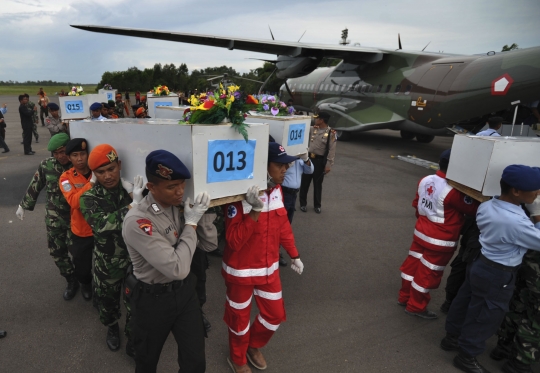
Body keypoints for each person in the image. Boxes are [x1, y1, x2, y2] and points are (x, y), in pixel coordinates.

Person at [440, 165, 540, 373]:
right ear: (516, 191)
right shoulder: (515, 222)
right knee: (486, 315)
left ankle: (452, 337)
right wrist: (538, 217)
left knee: (465, 300)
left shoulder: (488, 204)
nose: (538, 193)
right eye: (536, 189)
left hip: (481, 262)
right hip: (498, 273)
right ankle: (467, 356)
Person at [122, 150, 213, 372]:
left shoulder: (177, 206)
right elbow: (178, 267)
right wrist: (191, 225)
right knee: (146, 361)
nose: (180, 191)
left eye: (182, 184)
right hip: (152, 301)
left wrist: (205, 215)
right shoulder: (138, 221)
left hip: (184, 295)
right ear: (151, 188)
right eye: (172, 187)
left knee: (195, 363)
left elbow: (209, 245)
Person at [222, 142, 304, 373]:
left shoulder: (277, 190)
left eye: (285, 165)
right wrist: (254, 211)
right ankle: (237, 358)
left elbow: (283, 226)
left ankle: (252, 345)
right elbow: (234, 241)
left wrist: (294, 255)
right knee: (239, 322)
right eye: (279, 165)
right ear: (262, 167)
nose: (285, 170)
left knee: (275, 315)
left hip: (269, 270)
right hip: (241, 272)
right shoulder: (239, 195)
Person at [398, 149, 479, 319]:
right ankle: (416, 306)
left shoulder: (425, 180)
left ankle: (404, 297)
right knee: (428, 273)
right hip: (440, 241)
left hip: (421, 233)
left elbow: (416, 204)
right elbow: (473, 209)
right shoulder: (454, 190)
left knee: (411, 266)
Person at [80, 144, 140, 355]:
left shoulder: (132, 191)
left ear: (119, 165)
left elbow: (155, 212)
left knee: (136, 304)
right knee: (108, 301)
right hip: (108, 263)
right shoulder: (88, 198)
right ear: (94, 174)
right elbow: (101, 225)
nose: (107, 176)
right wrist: (135, 206)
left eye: (111, 169)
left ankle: (133, 338)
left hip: (136, 261)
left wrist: (135, 196)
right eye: (101, 172)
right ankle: (112, 327)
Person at [16, 133, 76, 298]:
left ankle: (85, 281)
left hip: (76, 217)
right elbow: (35, 185)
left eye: (63, 151)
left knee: (78, 251)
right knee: (57, 250)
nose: (59, 156)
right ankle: (71, 279)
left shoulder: (78, 165)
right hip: (54, 216)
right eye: (56, 153)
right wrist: (23, 205)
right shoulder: (47, 165)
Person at [59, 138, 95, 301]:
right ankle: (85, 284)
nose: (80, 159)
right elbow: (74, 202)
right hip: (82, 230)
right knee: (82, 267)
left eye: (82, 154)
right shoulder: (66, 178)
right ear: (69, 158)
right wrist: (91, 184)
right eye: (75, 155)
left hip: (102, 228)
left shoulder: (99, 171)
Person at [279, 149, 313, 266]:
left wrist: (306, 159)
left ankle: (277, 251)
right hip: (285, 192)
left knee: (287, 224)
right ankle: (276, 254)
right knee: (280, 225)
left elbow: (310, 170)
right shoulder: (288, 158)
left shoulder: (299, 159)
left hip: (293, 195)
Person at [299, 112, 336, 214]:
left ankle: (317, 205)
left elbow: (332, 150)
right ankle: (302, 203)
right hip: (309, 159)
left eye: (317, 118)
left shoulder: (331, 133)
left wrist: (328, 165)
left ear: (322, 120)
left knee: (317, 183)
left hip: (319, 162)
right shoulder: (313, 129)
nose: (315, 120)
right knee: (305, 182)